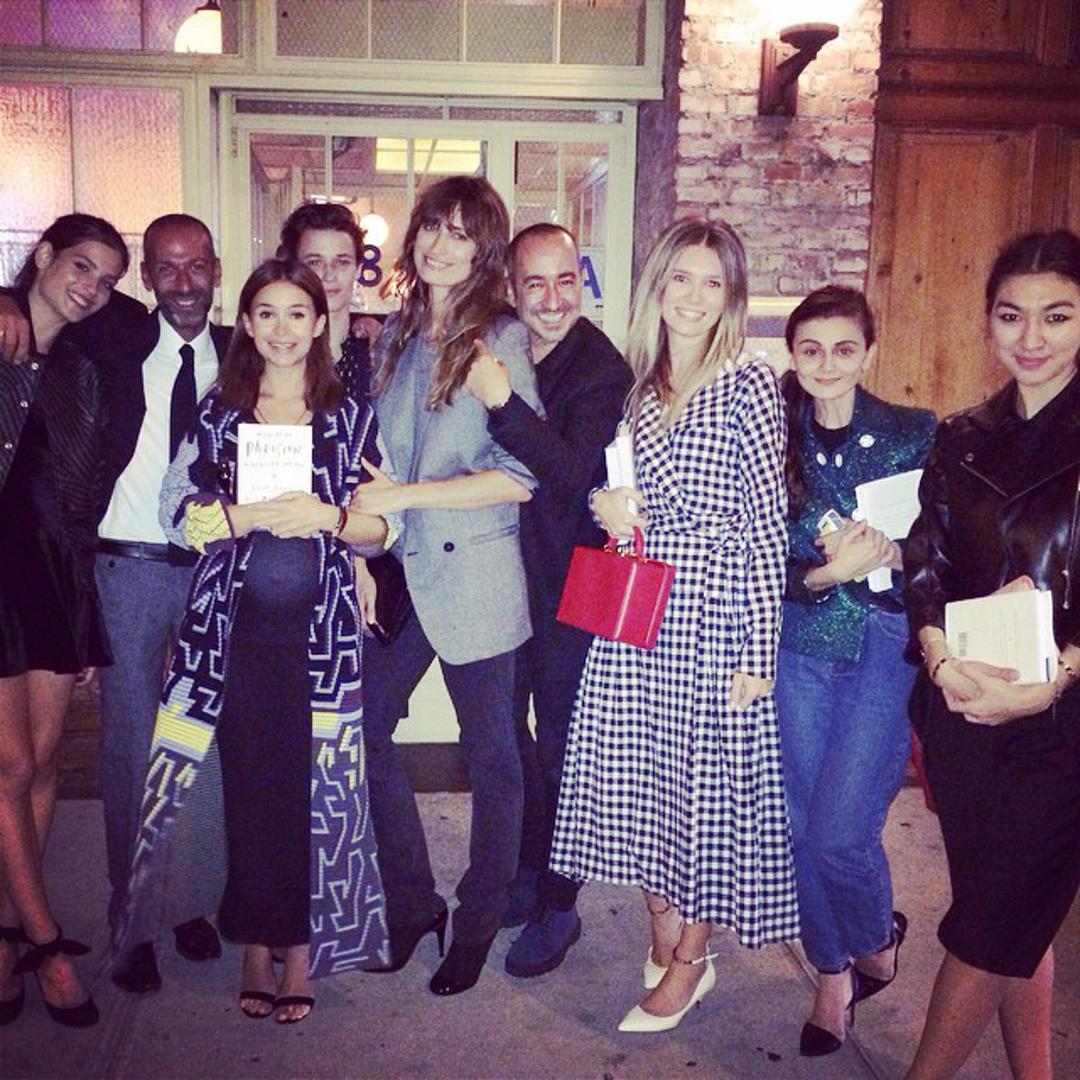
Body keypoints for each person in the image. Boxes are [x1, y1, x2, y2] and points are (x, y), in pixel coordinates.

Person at [116, 258, 391, 1024]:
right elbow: (179, 511)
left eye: (297, 313)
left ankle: (299, 946)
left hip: (320, 642)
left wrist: (331, 518)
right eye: (265, 312)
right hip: (232, 638)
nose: (281, 328)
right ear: (247, 323)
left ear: (320, 322)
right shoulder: (220, 413)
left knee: (312, 791)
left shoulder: (351, 416)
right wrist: (238, 515)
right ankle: (254, 944)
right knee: (248, 788)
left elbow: (386, 527)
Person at [549, 217, 798, 1033]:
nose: (693, 296)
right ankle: (663, 923)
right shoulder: (639, 387)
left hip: (714, 610)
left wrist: (758, 649)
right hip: (642, 607)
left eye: (712, 283)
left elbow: (764, 524)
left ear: (731, 298)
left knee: (706, 791)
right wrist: (606, 503)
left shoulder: (749, 383)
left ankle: (691, 958)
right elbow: (621, 492)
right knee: (647, 780)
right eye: (680, 278)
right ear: (657, 286)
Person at [0, 213, 230, 993]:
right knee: (130, 742)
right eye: (166, 267)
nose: (184, 282)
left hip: (211, 568)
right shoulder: (114, 334)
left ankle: (189, 899)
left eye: (196, 265)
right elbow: (42, 298)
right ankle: (132, 916)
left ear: (216, 268)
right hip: (125, 567)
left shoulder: (242, 349)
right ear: (149, 280)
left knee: (199, 738)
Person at [350, 175, 541, 997]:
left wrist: (407, 498)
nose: (440, 244)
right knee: (360, 729)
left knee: (493, 754)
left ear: (484, 249)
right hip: (400, 568)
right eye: (432, 226)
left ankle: (478, 919)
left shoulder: (501, 336)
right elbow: (374, 464)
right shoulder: (392, 334)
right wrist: (363, 553)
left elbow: (521, 474)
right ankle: (412, 901)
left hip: (477, 570)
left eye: (461, 233)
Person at [904, 230, 1080, 1079]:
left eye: (1057, 315)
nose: (1031, 337)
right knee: (1010, 915)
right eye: (1012, 316)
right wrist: (941, 663)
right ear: (988, 322)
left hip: (1063, 727)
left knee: (988, 929)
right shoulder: (961, 436)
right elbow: (925, 565)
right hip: (966, 715)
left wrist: (1055, 682)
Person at [463, 223, 631, 977]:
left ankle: (561, 903)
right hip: (507, 575)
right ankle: (529, 869)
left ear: (581, 281)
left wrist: (503, 404)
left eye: (567, 280)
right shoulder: (499, 342)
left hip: (579, 583)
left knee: (566, 745)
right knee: (513, 738)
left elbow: (569, 475)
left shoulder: (601, 369)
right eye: (536, 283)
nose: (553, 299)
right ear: (512, 286)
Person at [774, 286, 935, 1055]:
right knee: (802, 826)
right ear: (793, 356)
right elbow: (756, 560)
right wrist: (822, 574)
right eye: (811, 350)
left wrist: (893, 553)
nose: (827, 364)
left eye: (844, 349)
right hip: (802, 640)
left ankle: (874, 936)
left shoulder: (916, 432)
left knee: (841, 834)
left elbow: (949, 548)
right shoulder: (774, 439)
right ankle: (833, 974)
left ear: (869, 351)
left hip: (883, 639)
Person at [0, 213, 127, 1027]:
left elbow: (79, 496)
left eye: (106, 280)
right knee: (9, 766)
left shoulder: (81, 367)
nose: (91, 288)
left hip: (51, 573)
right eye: (80, 266)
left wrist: (82, 604)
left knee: (44, 763)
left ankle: (6, 934)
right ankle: (46, 944)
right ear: (42, 255)